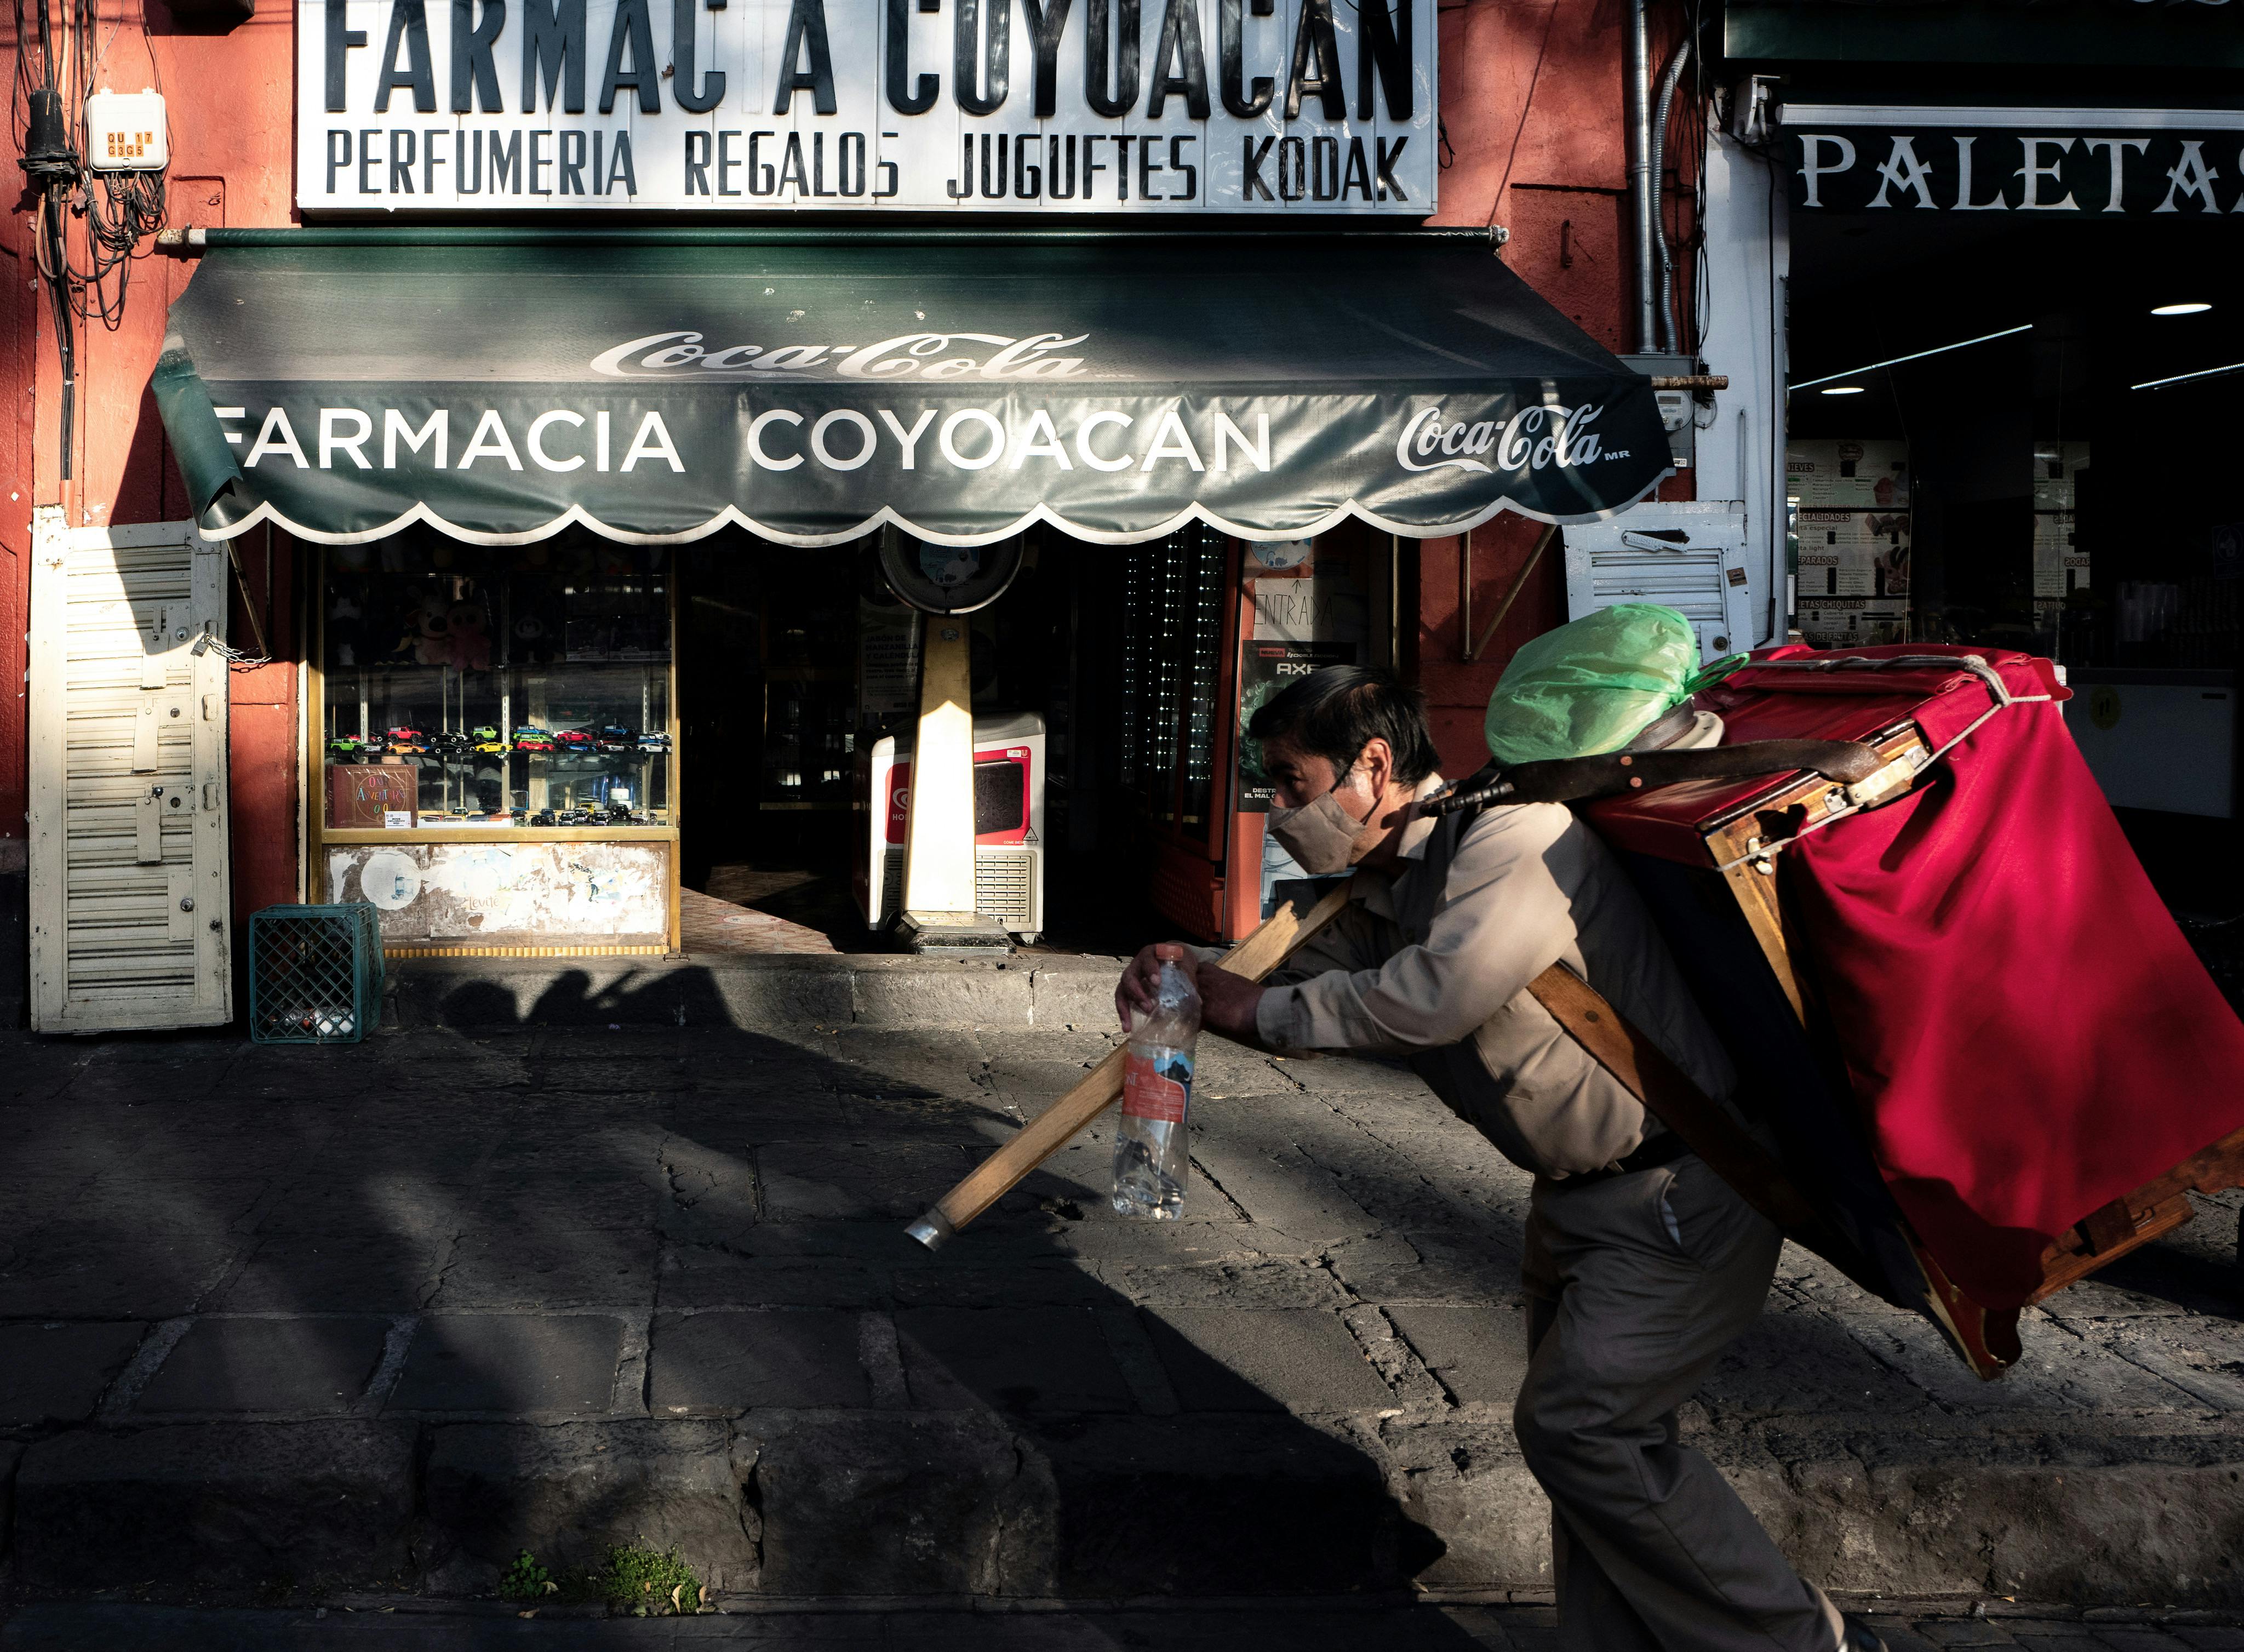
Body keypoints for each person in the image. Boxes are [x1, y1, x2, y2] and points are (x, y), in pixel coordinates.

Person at [1117, 664, 1881, 1652]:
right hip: (1574, 1205)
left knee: (1584, 1433)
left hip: (1682, 1193)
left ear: (1374, 766)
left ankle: (1800, 1646)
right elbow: (1304, 977)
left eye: (1291, 781)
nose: (1280, 809)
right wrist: (1187, 970)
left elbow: (1429, 996)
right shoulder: (1396, 876)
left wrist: (1249, 1005)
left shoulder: (1516, 838)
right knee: (1600, 1466)